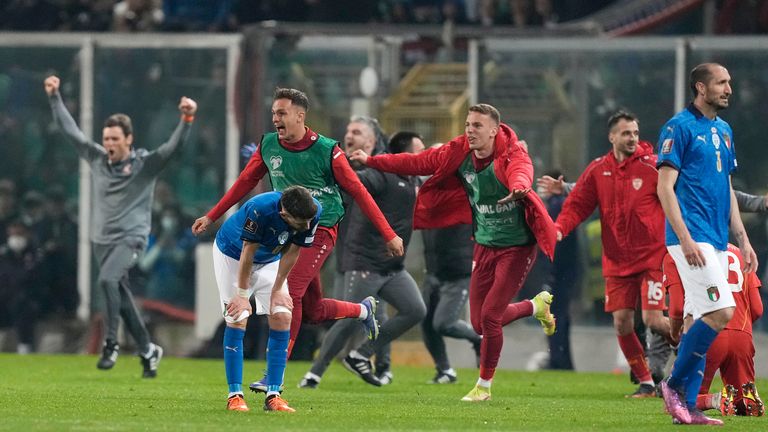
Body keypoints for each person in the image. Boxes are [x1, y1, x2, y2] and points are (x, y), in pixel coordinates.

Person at [190, 88, 403, 389]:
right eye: (274, 113)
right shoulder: (269, 146)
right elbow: (245, 182)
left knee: (290, 293)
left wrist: (389, 234)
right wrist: (213, 216)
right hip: (286, 230)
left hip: (322, 227)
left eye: (282, 113)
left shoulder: (329, 151)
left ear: (300, 116)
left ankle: (273, 376)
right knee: (313, 311)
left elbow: (358, 191)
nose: (275, 119)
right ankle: (363, 310)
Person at [350, 103, 557, 402]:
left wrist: (521, 187)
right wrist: (372, 160)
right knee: (478, 323)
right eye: (468, 124)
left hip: (517, 247)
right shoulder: (459, 152)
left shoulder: (512, 153)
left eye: (477, 126)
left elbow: (521, 170)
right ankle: (535, 307)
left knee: (489, 317)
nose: (470, 130)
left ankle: (483, 387)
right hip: (484, 245)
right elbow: (418, 162)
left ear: (494, 130)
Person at [44, 75, 197, 377]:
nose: (109, 144)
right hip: (102, 240)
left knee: (106, 281)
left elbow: (171, 148)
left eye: (115, 139)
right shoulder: (98, 159)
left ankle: (110, 343)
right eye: (107, 139)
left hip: (131, 238)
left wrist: (187, 118)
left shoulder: (144, 165)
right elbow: (70, 130)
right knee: (121, 296)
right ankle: (148, 350)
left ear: (129, 139)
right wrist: (54, 97)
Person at [539, 110, 670, 397]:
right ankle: (646, 382)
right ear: (612, 137)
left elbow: (676, 198)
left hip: (652, 258)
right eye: (626, 133)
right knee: (622, 323)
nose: (632, 138)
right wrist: (559, 228)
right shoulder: (599, 170)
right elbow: (576, 204)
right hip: (618, 262)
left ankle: (689, 342)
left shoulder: (653, 167)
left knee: (652, 320)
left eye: (635, 133)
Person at [656, 62, 757, 426]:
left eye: (729, 82)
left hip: (715, 238)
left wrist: (742, 240)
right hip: (691, 238)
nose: (728, 88)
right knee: (722, 313)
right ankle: (673, 386)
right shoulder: (678, 127)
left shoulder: (724, 131)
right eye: (721, 83)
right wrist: (684, 239)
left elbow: (725, 189)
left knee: (703, 319)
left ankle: (689, 409)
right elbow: (664, 188)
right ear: (701, 88)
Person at [299, 130, 427, 389]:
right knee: (350, 319)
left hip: (392, 266)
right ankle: (313, 374)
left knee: (415, 310)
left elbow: (437, 167)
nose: (423, 156)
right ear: (402, 155)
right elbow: (353, 183)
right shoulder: (381, 175)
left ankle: (360, 354)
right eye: (419, 150)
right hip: (366, 262)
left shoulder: (414, 179)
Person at [213, 185, 340, 412]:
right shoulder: (259, 209)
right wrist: (242, 295)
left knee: (282, 315)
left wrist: (279, 288)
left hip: (269, 259)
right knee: (238, 316)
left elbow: (294, 250)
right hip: (231, 255)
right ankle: (235, 395)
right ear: (284, 215)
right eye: (302, 223)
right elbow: (247, 253)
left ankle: (274, 395)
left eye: (310, 221)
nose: (308, 226)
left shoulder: (313, 211)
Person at [663, 244, 764, 417]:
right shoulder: (739, 253)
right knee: (741, 399)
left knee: (675, 400)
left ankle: (715, 400)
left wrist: (674, 333)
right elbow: (757, 309)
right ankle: (746, 400)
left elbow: (678, 308)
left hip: (707, 332)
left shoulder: (676, 252)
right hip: (742, 336)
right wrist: (739, 327)